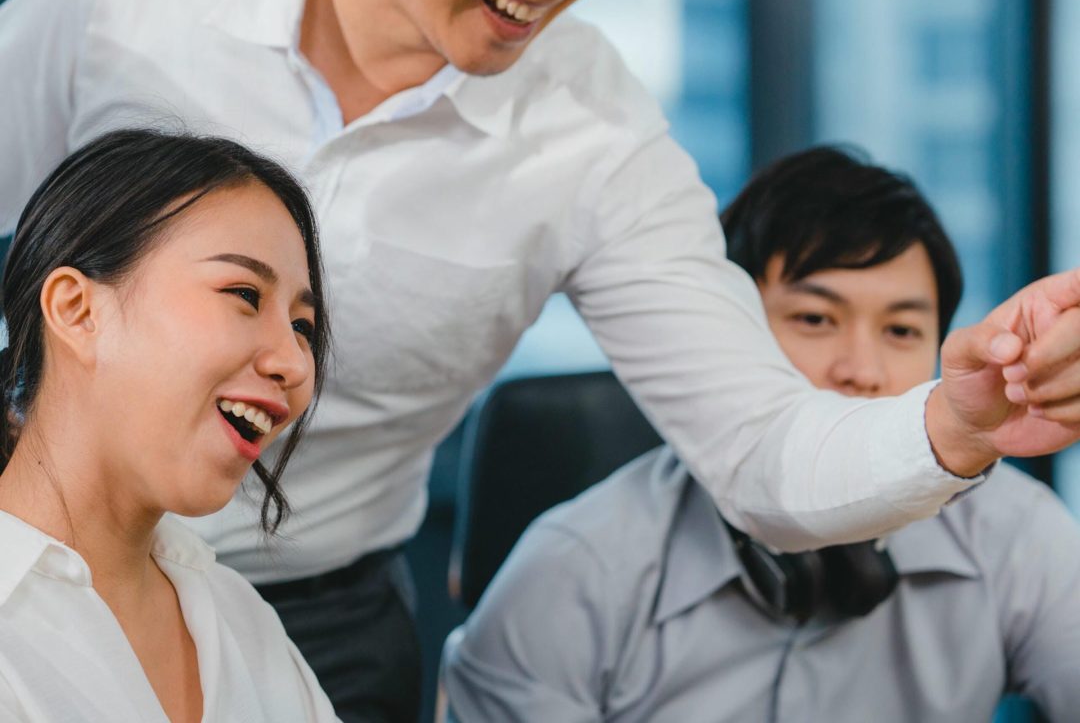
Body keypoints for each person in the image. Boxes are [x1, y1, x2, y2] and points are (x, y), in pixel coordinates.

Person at [4, 0, 1080, 719]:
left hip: (306, 612)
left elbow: (761, 444)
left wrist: (952, 420)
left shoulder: (593, 134)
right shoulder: (120, 1)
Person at [442, 146, 1080, 722]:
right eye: (815, 319)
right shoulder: (578, 568)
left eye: (901, 331)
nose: (861, 370)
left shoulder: (1016, 535)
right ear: (729, 339)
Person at [0, 129, 339, 722]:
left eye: (302, 327)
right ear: (77, 311)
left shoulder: (241, 619)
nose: (293, 364)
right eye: (244, 294)